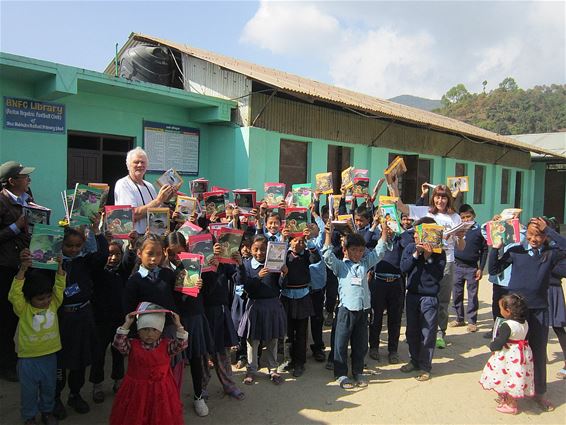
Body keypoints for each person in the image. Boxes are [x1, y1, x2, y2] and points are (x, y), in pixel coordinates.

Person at [489, 217, 566, 412]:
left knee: (537, 352)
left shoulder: (550, 254)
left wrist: (548, 229)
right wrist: (495, 248)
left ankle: (538, 393)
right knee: (511, 352)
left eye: (538, 235)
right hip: (515, 313)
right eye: (530, 234)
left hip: (539, 310)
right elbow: (494, 269)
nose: (534, 238)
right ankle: (508, 392)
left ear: (545, 237)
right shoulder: (516, 252)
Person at [393, 183, 466, 349]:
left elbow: (461, 246)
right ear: (433, 198)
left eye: (444, 197)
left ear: (449, 199)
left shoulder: (455, 217)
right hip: (421, 260)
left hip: (446, 261)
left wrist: (460, 237)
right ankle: (414, 332)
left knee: (442, 300)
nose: (440, 200)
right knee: (418, 296)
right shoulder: (425, 211)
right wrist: (393, 183)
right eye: (438, 197)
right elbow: (400, 206)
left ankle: (440, 333)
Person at [322, 220, 388, 389]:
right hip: (346, 310)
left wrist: (385, 231)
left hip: (363, 310)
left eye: (360, 250)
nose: (357, 254)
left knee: (360, 343)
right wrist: (328, 234)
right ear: (345, 250)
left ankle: (358, 371)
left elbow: (380, 251)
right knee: (341, 343)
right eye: (353, 250)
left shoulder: (365, 264)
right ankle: (341, 374)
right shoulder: (341, 267)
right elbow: (327, 256)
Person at [54, 218, 109, 419]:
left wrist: (97, 232)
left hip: (83, 315)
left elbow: (102, 256)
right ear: (61, 244)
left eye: (78, 246)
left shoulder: (85, 261)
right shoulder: (53, 264)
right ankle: (56, 397)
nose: (73, 250)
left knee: (80, 359)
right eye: (69, 246)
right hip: (60, 317)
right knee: (60, 361)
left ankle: (75, 394)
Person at [8, 250, 64, 425]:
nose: (46, 301)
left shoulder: (54, 304)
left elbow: (60, 286)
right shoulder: (23, 309)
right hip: (28, 358)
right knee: (29, 391)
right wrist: (23, 270)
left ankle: (47, 412)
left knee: (49, 388)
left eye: (48, 296)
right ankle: (29, 416)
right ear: (29, 298)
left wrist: (60, 267)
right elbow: (14, 294)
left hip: (50, 355)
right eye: (41, 299)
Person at [109, 307, 187, 425]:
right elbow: (118, 343)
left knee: (161, 416)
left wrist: (178, 325)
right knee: (135, 415)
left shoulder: (167, 346)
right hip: (136, 392)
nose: (149, 334)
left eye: (154, 330)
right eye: (145, 329)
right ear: (138, 330)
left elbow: (181, 344)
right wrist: (127, 324)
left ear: (160, 331)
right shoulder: (132, 346)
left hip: (162, 392)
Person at [400, 217, 447, 381]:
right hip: (412, 295)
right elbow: (403, 268)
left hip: (429, 297)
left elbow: (438, 275)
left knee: (427, 333)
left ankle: (425, 366)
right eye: (414, 233)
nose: (415, 237)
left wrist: (428, 257)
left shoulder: (439, 252)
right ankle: (414, 360)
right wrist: (416, 254)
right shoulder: (410, 248)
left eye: (419, 233)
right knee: (411, 331)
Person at [0, 160, 35, 382]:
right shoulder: (2, 201)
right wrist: (18, 225)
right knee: (5, 318)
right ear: (12, 181)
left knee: (20, 314)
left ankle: (15, 357)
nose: (28, 179)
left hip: (25, 263)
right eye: (24, 176)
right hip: (6, 266)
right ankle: (6, 364)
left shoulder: (28, 198)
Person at [237, 235, 287, 385]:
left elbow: (280, 285)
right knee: (253, 340)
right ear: (250, 249)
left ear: (269, 250)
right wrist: (258, 276)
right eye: (256, 249)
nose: (259, 253)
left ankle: (273, 369)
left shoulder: (274, 263)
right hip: (255, 306)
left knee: (272, 339)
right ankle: (251, 369)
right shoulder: (246, 265)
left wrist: (284, 274)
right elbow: (246, 286)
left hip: (272, 305)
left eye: (263, 250)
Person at [89, 239, 131, 403]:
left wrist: (132, 247)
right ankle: (97, 385)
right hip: (101, 321)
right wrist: (99, 237)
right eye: (110, 254)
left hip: (119, 320)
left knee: (118, 353)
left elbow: (129, 260)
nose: (113, 258)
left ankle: (118, 381)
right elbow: (98, 259)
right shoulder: (98, 273)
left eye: (117, 254)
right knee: (98, 354)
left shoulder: (123, 272)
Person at [368, 208, 412, 364]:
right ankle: (373, 347)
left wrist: (398, 227)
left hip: (396, 283)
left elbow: (409, 243)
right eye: (386, 223)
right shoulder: (376, 237)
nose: (389, 227)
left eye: (392, 223)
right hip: (378, 282)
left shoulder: (400, 239)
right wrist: (376, 224)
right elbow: (366, 240)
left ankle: (392, 350)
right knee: (376, 317)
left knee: (395, 319)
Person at [479, 294, 534, 414]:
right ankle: (508, 399)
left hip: (508, 355)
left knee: (505, 376)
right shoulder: (524, 323)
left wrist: (493, 345)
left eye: (501, 309)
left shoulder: (507, 325)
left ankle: (511, 404)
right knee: (514, 377)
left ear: (508, 311)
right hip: (521, 354)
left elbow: (500, 342)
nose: (500, 311)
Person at [278, 228, 320, 378]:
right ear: (290, 242)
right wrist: (282, 239)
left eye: (301, 241)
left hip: (303, 296)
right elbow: (276, 259)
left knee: (301, 332)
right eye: (295, 240)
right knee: (288, 332)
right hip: (287, 296)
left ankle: (300, 362)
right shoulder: (285, 255)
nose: (298, 244)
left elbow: (316, 259)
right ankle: (289, 359)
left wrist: (309, 241)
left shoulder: (307, 255)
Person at [114, 147, 177, 234]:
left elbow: (157, 213)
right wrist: (159, 200)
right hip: (134, 239)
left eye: (143, 162)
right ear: (128, 165)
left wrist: (166, 200)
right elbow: (130, 215)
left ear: (146, 166)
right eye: (136, 162)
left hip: (152, 237)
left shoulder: (149, 186)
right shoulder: (123, 184)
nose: (140, 165)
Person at [450, 204, 487, 333]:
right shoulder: (457, 229)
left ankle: (472, 321)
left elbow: (485, 250)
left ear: (474, 216)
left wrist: (481, 268)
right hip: (457, 267)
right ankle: (459, 318)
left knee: (472, 295)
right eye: (463, 217)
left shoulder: (480, 231)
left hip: (472, 268)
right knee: (457, 294)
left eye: (468, 216)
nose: (466, 219)